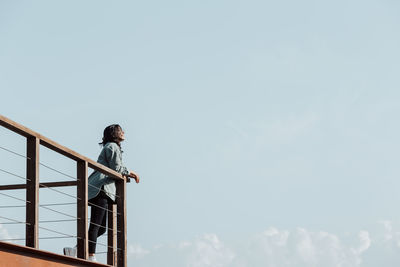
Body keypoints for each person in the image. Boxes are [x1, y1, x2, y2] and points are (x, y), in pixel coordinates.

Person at [64, 124, 139, 262]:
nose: (123, 132)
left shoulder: (111, 147)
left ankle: (75, 249)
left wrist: (126, 174)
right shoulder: (112, 146)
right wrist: (131, 172)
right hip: (101, 189)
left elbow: (114, 168)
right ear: (115, 133)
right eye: (121, 130)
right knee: (96, 225)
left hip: (102, 189)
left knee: (101, 229)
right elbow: (116, 168)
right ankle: (91, 256)